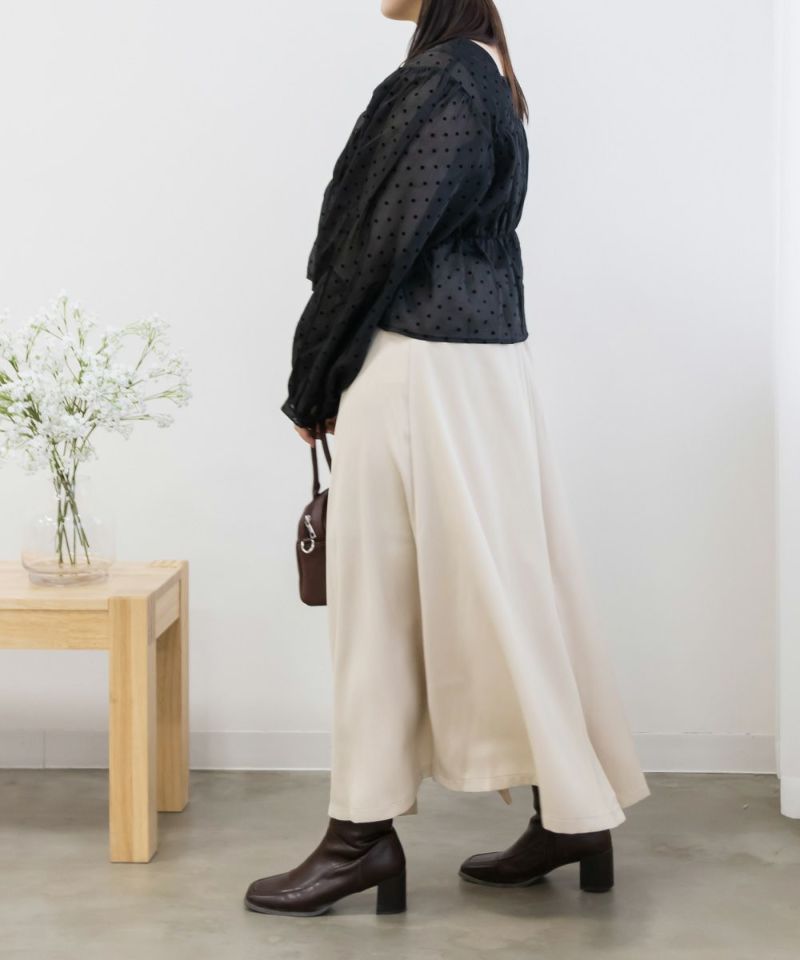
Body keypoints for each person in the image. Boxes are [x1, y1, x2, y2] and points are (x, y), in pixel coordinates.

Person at [245, 0, 650, 918]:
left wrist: (312, 378)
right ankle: (571, 812)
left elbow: (374, 246)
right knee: (516, 592)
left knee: (378, 606)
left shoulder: (440, 81)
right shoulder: (489, 73)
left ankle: (360, 839)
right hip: (485, 370)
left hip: (421, 367)